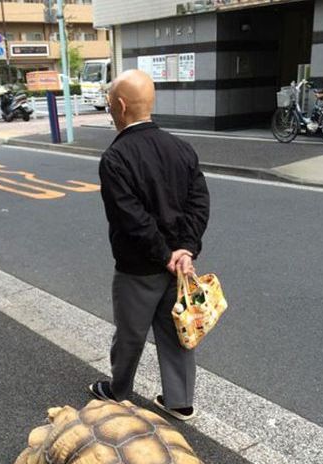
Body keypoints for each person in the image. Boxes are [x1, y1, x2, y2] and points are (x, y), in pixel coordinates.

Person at [89, 69, 210, 421]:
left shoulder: (116, 158)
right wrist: (185, 250)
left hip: (138, 267)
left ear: (121, 105)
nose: (110, 110)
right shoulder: (181, 148)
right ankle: (179, 401)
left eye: (110, 105)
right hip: (181, 268)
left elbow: (131, 218)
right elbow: (199, 203)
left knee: (131, 332)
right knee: (178, 332)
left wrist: (163, 254)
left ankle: (119, 391)